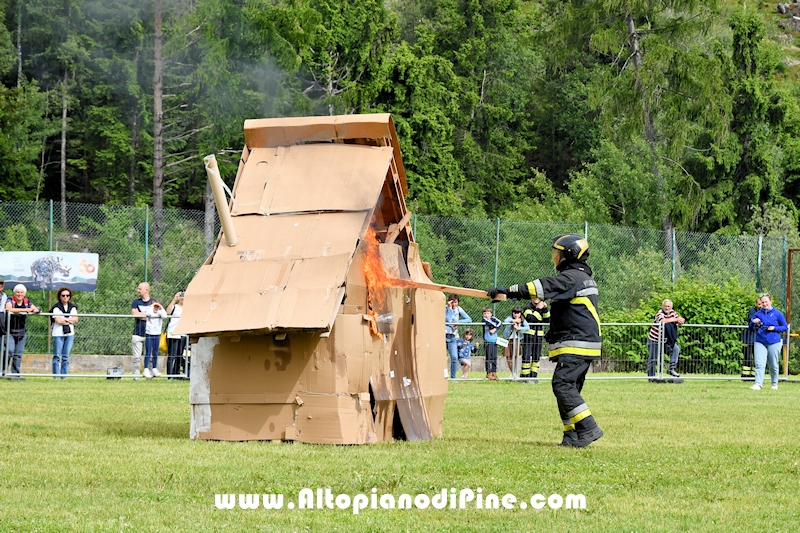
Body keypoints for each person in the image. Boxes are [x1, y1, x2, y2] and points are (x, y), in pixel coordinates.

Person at [487, 234, 603, 448]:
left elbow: (540, 287)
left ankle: (588, 427)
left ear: (568, 255)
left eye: (557, 254)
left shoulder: (572, 278)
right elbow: (572, 313)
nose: (555, 258)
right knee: (568, 389)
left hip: (578, 343)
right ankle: (572, 436)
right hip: (581, 341)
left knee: (562, 385)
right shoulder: (580, 278)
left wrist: (507, 291)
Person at [750, 293, 787, 391]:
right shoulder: (758, 314)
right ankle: (758, 384)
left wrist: (774, 328)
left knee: (773, 364)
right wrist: (754, 322)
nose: (765, 304)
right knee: (759, 364)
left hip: (774, 342)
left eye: (766, 302)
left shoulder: (777, 313)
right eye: (762, 302)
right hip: (760, 341)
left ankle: (774, 383)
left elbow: (784, 327)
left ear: (771, 301)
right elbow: (751, 327)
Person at [131, 282, 166, 380]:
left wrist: (146, 315)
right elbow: (135, 314)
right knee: (137, 357)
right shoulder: (136, 302)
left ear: (146, 290)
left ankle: (149, 375)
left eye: (139, 289)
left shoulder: (153, 302)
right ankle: (136, 376)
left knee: (150, 354)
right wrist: (149, 316)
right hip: (138, 333)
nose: (138, 290)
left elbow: (159, 314)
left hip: (151, 334)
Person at [5, 284, 40, 379]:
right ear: (14, 293)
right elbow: (9, 309)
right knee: (9, 351)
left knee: (18, 354)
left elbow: (35, 309)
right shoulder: (10, 299)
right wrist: (25, 310)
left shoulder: (26, 301)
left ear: (24, 294)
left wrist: (34, 310)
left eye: (21, 292)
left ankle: (15, 374)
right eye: (18, 292)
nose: (19, 294)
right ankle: (4, 372)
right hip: (10, 331)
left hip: (21, 332)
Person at [646, 299, 685, 379]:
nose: (667, 308)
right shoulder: (659, 314)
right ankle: (651, 377)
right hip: (654, 339)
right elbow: (663, 321)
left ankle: (671, 368)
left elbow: (679, 318)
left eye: (668, 306)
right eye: (665, 306)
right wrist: (676, 320)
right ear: (662, 306)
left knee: (676, 349)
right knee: (653, 359)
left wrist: (681, 320)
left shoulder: (673, 313)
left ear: (671, 307)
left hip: (666, 340)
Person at [50, 287, 78, 379]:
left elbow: (75, 319)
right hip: (58, 334)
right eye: (63, 295)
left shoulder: (72, 307)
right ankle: (56, 376)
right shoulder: (56, 307)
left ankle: (64, 376)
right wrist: (69, 320)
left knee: (65, 356)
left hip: (69, 334)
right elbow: (58, 320)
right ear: (60, 296)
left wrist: (65, 320)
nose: (65, 297)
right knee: (57, 356)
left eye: (67, 295)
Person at [445, 294, 471, 379]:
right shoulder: (445, 308)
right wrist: (449, 308)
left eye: (456, 302)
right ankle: (443, 376)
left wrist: (458, 322)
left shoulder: (459, 309)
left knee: (454, 357)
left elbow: (469, 319)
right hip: (443, 335)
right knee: (441, 357)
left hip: (452, 337)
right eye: (452, 302)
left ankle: (453, 378)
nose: (454, 304)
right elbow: (448, 320)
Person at [522, 298, 550, 379]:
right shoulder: (527, 308)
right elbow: (531, 319)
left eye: (538, 297)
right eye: (534, 297)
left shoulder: (542, 308)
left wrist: (545, 309)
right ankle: (525, 376)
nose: (536, 299)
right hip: (529, 336)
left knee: (536, 356)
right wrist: (538, 309)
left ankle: (534, 376)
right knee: (526, 356)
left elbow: (547, 320)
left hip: (539, 336)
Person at [502, 306, 530, 376]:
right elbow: (505, 321)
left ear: (520, 313)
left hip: (517, 339)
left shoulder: (523, 320)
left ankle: (514, 373)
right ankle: (513, 372)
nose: (516, 315)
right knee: (508, 356)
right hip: (508, 339)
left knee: (515, 356)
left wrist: (519, 328)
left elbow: (527, 327)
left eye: (518, 313)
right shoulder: (510, 318)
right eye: (515, 313)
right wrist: (513, 321)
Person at [166, 291, 188, 379]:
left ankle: (177, 373)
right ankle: (170, 375)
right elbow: (168, 312)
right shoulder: (175, 307)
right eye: (181, 296)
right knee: (172, 354)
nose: (183, 298)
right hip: (173, 333)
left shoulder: (187, 308)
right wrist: (174, 300)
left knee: (180, 354)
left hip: (183, 333)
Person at [741, 297, 761, 380]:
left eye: (762, 304)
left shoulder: (765, 312)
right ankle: (745, 376)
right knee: (747, 358)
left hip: (759, 340)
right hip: (749, 339)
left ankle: (755, 376)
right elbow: (753, 322)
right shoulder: (752, 311)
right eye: (759, 304)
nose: (760, 306)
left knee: (757, 359)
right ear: (756, 304)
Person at [481, 306, 503, 381]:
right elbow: (490, 323)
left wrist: (495, 329)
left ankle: (494, 372)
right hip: (487, 342)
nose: (486, 315)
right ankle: (488, 372)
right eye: (485, 313)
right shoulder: (484, 320)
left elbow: (500, 323)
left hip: (494, 341)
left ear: (491, 314)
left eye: (488, 313)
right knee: (488, 358)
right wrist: (495, 326)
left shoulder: (494, 319)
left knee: (494, 357)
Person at [0, 276, 7, 375]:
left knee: (3, 349)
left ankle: (2, 370)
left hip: (1, 328)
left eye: (1, 283)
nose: (0, 285)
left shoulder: (5, 296)